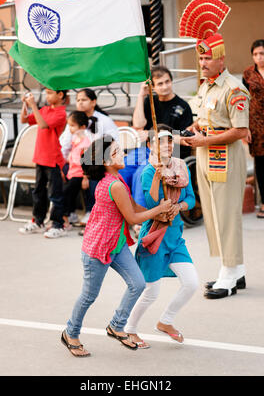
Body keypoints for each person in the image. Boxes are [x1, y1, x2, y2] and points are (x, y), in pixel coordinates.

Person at [61, 136, 172, 357]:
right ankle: (70, 333)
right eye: (117, 152)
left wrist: (160, 209)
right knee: (89, 296)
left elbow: (134, 207)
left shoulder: (116, 178)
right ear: (106, 162)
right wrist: (160, 210)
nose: (123, 154)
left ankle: (116, 325)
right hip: (98, 249)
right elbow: (132, 218)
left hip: (116, 244)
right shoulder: (114, 185)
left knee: (138, 283)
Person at [182, 33, 250, 299]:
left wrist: (205, 138)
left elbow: (240, 131)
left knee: (226, 215)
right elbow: (205, 116)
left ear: (221, 59)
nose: (203, 61)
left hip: (225, 156)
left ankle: (228, 275)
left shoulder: (233, 88)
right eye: (200, 57)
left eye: (208, 57)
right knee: (212, 214)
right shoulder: (205, 86)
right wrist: (194, 128)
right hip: (204, 153)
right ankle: (236, 270)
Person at [125, 126, 198, 348]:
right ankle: (129, 329)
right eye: (161, 141)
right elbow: (150, 203)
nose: (166, 145)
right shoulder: (148, 171)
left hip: (175, 237)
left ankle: (165, 321)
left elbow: (192, 199)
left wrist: (179, 206)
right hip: (156, 235)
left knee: (191, 283)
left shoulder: (181, 166)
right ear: (150, 146)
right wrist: (157, 177)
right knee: (151, 291)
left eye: (169, 141)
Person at [60, 88, 119, 226]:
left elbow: (112, 143)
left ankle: (90, 211)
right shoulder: (74, 120)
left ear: (93, 102)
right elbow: (65, 144)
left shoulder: (104, 121)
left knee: (94, 171)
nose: (80, 103)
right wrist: (60, 163)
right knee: (62, 171)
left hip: (98, 160)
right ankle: (69, 212)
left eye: (84, 100)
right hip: (77, 163)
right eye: (78, 100)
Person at [19, 89, 68, 239]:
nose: (47, 96)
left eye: (50, 93)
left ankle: (58, 224)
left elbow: (43, 125)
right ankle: (38, 221)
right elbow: (24, 120)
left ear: (60, 95)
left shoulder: (61, 113)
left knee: (55, 193)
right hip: (40, 157)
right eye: (46, 93)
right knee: (38, 191)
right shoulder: (44, 109)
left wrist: (33, 105)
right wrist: (25, 105)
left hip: (53, 158)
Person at [243, 39, 264, 219]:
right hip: (257, 127)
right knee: (261, 167)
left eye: (262, 53)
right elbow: (244, 101)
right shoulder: (247, 74)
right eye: (255, 54)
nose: (259, 57)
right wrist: (244, 128)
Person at [132, 65, 193, 159]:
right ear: (152, 87)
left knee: (141, 172)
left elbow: (183, 138)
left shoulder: (183, 106)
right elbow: (138, 125)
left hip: (171, 152)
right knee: (124, 169)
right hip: (147, 150)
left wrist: (150, 134)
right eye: (160, 84)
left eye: (167, 82)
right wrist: (141, 95)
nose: (165, 87)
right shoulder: (149, 101)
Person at [62, 111, 92, 230]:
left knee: (66, 194)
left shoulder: (87, 143)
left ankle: (64, 220)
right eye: (69, 125)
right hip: (72, 172)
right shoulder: (75, 139)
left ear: (83, 127)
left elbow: (87, 162)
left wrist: (85, 177)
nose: (70, 128)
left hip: (79, 174)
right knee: (68, 194)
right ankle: (70, 215)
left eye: (73, 125)